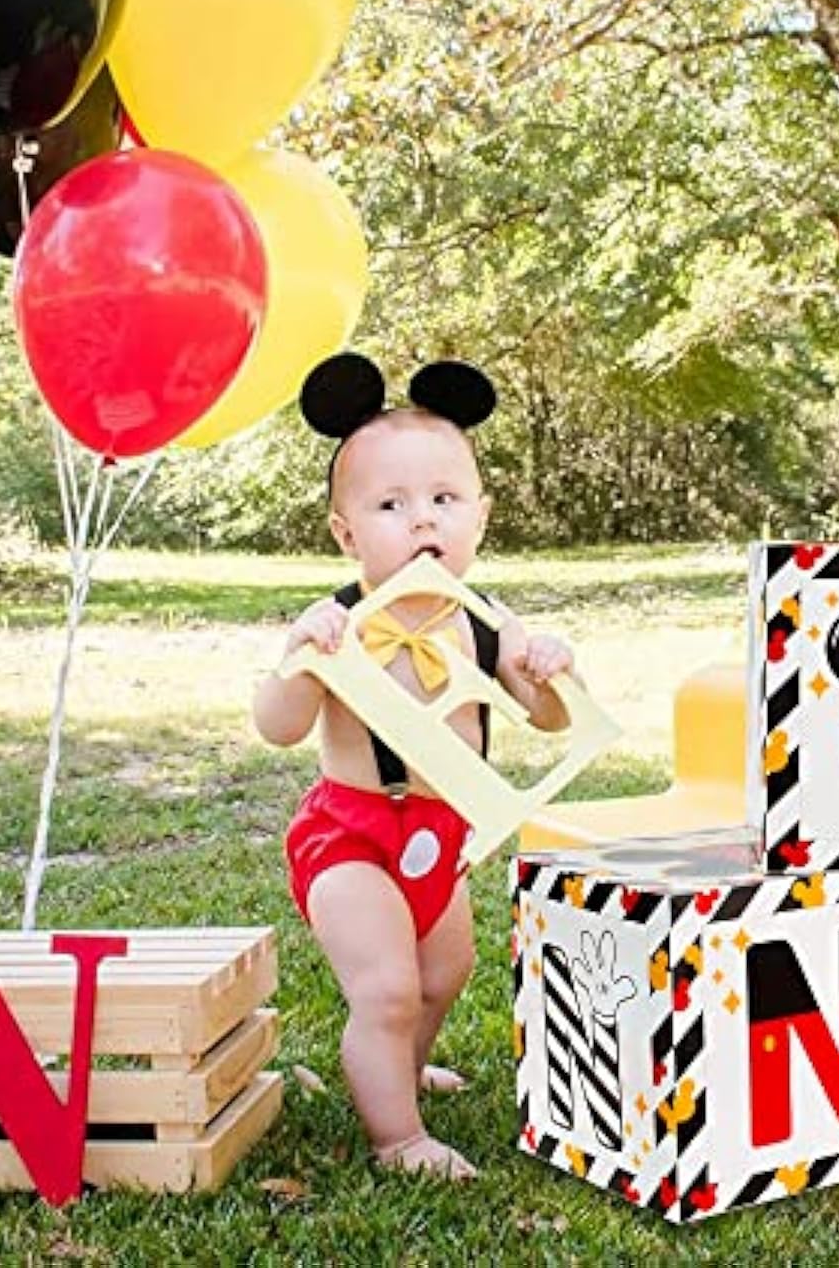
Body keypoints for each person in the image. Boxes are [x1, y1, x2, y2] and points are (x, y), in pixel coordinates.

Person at [254, 354, 574, 1181]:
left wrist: (544, 669)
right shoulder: (343, 626)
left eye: (443, 500)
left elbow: (545, 719)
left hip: (439, 833)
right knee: (389, 986)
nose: (421, 520)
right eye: (390, 505)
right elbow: (278, 727)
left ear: (480, 516)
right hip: (351, 834)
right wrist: (299, 653)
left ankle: (404, 1061)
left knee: (442, 974)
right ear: (345, 531)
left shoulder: (485, 622)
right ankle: (399, 1138)